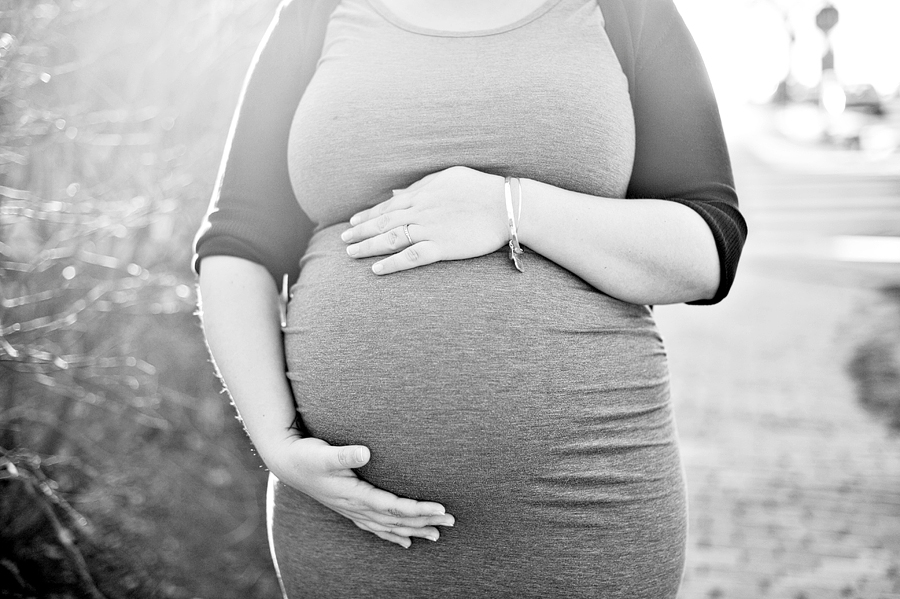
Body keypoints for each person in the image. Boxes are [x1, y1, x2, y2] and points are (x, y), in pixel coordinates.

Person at [193, 0, 747, 596]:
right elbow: (236, 246)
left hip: (584, 510)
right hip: (350, 518)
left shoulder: (626, 11)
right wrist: (277, 444)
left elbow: (707, 252)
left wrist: (510, 207)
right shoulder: (317, 12)